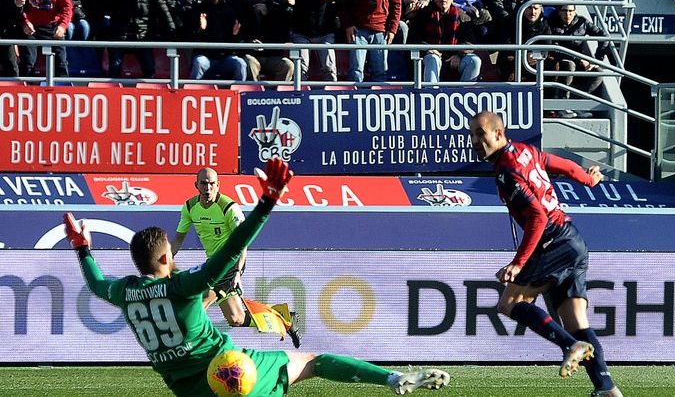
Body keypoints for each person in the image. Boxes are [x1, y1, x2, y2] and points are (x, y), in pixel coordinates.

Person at [64, 158, 451, 397]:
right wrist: (267, 202)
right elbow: (231, 248)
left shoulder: (124, 291)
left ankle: (276, 319)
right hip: (231, 369)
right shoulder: (181, 286)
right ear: (167, 257)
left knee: (232, 313)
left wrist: (83, 250)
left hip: (188, 391)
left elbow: (96, 284)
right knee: (315, 361)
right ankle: (391, 379)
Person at [468, 111, 623, 397]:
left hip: (550, 240)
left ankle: (569, 346)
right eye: (472, 135)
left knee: (510, 303)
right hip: (572, 239)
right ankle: (608, 389)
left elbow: (538, 218)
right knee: (577, 321)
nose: (476, 141)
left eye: (481, 133)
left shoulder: (506, 171)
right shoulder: (526, 151)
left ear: (499, 134)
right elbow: (561, 165)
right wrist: (588, 181)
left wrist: (518, 263)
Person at [170, 167, 300, 348]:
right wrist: (165, 262)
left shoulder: (229, 208)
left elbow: (242, 242)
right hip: (213, 264)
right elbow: (178, 238)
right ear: (196, 185)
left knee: (200, 302)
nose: (208, 188)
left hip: (231, 262)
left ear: (218, 185)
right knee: (236, 318)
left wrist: (238, 273)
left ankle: (191, 348)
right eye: (203, 184)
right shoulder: (190, 207)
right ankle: (282, 317)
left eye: (212, 184)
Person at [548, 0, 611, 118]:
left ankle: (579, 105)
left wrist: (596, 59)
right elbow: (553, 47)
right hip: (559, 58)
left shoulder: (582, 22)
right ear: (559, 12)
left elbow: (603, 35)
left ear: (575, 11)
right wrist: (579, 59)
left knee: (598, 73)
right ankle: (562, 106)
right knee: (569, 65)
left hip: (580, 59)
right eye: (565, 11)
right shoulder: (551, 23)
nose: (568, 14)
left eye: (571, 11)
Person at [407, 0, 491, 84]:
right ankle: (432, 94)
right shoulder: (423, 14)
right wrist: (428, 49)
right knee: (432, 59)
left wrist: (459, 54)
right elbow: (414, 38)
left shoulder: (462, 16)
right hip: (430, 56)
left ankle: (464, 94)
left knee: (474, 60)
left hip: (454, 57)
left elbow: (469, 41)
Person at [341, 0, 402, 82]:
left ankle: (379, 94)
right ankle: (354, 94)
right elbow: (345, 4)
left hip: (381, 30)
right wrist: (348, 25)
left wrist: (392, 29)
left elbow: (397, 5)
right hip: (358, 30)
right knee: (356, 70)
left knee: (380, 71)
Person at [188, 0, 248, 81]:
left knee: (241, 64)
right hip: (206, 57)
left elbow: (237, 41)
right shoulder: (199, 10)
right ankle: (193, 91)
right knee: (199, 62)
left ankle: (239, 92)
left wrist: (235, 35)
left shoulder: (229, 11)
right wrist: (201, 29)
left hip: (225, 58)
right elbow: (190, 38)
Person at [290, 0, 343, 82]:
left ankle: (332, 91)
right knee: (301, 67)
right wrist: (288, 0)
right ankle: (299, 92)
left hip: (325, 33)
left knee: (329, 66)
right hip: (301, 33)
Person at [18, 0, 73, 77]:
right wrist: (24, 22)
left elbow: (66, 7)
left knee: (61, 63)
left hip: (53, 27)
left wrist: (62, 26)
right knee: (28, 63)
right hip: (31, 28)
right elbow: (18, 6)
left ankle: (62, 88)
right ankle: (27, 87)